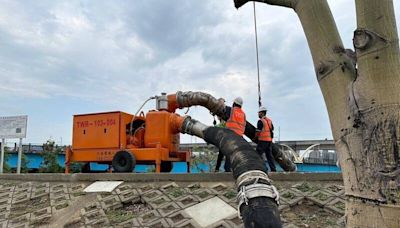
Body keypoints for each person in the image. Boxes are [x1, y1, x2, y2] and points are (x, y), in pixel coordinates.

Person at [256, 106, 276, 172]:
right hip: (269, 141)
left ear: (262, 113)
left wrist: (255, 137)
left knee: (258, 155)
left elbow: (258, 132)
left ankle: (263, 168)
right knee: (269, 156)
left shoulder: (260, 121)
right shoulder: (269, 121)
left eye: (259, 113)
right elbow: (272, 128)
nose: (258, 114)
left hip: (262, 140)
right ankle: (273, 169)